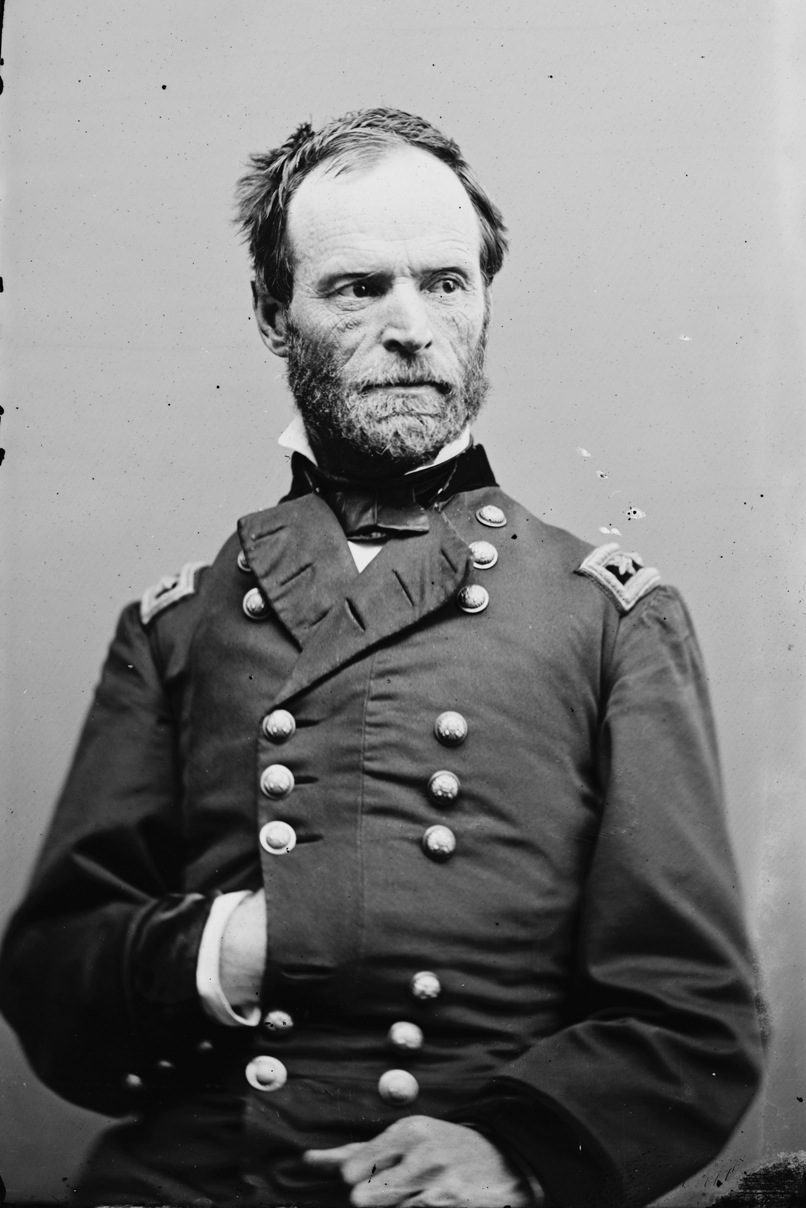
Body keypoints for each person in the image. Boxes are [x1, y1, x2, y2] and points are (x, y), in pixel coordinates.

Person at [0, 108, 763, 1208]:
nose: (412, 327)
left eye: (445, 283)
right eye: (358, 288)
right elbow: (53, 985)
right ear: (274, 315)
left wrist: (516, 1152)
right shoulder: (175, 625)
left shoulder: (608, 617)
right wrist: (237, 944)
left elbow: (692, 1016)